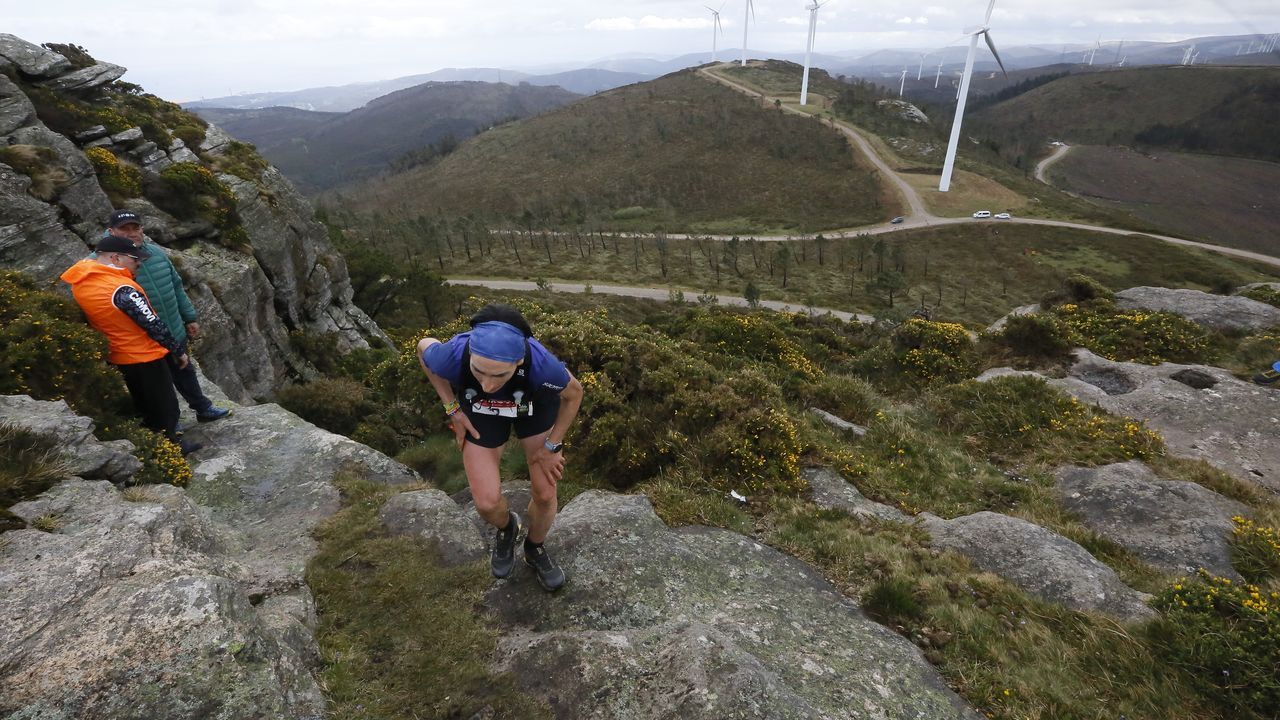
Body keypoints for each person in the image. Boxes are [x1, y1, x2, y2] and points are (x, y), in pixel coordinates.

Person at [417, 305, 584, 591]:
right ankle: (508, 528)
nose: (488, 384)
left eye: (500, 376)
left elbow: (574, 394)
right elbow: (423, 348)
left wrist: (552, 445)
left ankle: (535, 548)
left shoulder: (542, 366)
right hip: (479, 411)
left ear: (518, 361)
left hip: (534, 409)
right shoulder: (454, 354)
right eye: (479, 371)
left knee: (545, 494)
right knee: (486, 503)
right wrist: (452, 408)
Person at [60, 235, 201, 454]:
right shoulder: (121, 288)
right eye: (134, 259)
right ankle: (171, 446)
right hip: (143, 355)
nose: (139, 263)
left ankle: (153, 438)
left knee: (143, 401)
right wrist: (178, 350)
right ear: (116, 258)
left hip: (119, 355)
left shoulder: (82, 282)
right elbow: (151, 322)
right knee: (164, 404)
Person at [101, 210, 230, 423]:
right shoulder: (106, 262)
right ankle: (170, 425)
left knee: (185, 371)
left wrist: (189, 317)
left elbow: (177, 286)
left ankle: (203, 409)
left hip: (173, 329)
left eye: (136, 227)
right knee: (157, 385)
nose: (132, 233)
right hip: (145, 340)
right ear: (111, 231)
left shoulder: (156, 253)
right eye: (125, 229)